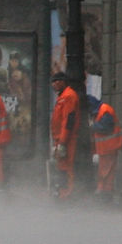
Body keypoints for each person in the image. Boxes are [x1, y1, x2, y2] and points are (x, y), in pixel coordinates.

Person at [49, 71, 80, 201]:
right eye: (53, 81)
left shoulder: (68, 96)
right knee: (62, 166)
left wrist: (62, 142)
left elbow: (68, 120)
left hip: (67, 139)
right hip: (61, 139)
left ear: (63, 81)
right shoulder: (63, 96)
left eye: (57, 81)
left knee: (66, 167)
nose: (54, 84)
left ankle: (67, 194)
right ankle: (62, 192)